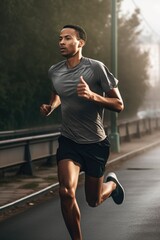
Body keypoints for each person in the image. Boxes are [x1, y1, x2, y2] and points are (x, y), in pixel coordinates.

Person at [40, 24, 125, 240]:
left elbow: (118, 104)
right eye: (60, 38)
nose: (61, 42)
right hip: (69, 141)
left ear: (81, 43)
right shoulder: (54, 71)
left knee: (93, 200)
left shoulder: (96, 68)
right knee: (66, 192)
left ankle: (112, 185)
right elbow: (57, 92)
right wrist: (51, 106)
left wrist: (93, 96)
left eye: (67, 38)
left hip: (95, 144)